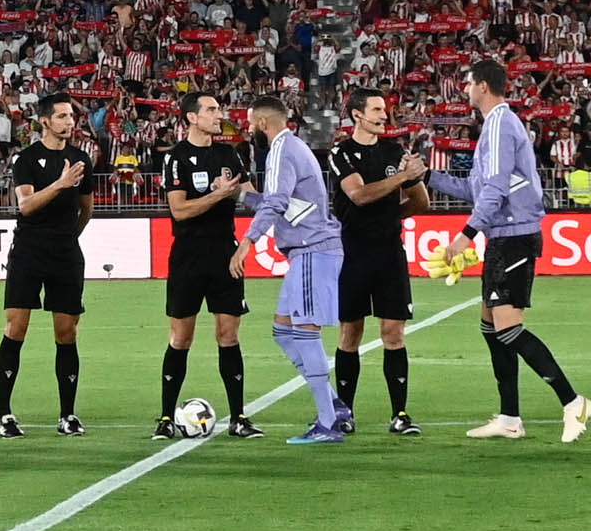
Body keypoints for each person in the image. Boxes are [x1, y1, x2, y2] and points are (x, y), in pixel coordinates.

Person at [459, 58, 587, 442]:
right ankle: (510, 418)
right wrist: (425, 176)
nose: (465, 88)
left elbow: (496, 190)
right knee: (490, 326)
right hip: (503, 235)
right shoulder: (494, 127)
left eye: (468, 82)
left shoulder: (499, 123)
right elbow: (475, 190)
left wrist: (465, 235)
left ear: (483, 86)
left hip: (514, 233)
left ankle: (573, 401)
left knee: (508, 329)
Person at [243, 91, 352, 442]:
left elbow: (275, 202)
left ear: (262, 123)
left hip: (311, 250)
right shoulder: (293, 148)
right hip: (310, 250)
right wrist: (239, 195)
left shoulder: (280, 151)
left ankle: (328, 422)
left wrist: (248, 242)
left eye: (250, 124)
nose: (249, 130)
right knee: (283, 330)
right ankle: (333, 404)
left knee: (305, 332)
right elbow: (288, 203)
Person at [154, 91, 259, 442]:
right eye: (211, 110)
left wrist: (235, 194)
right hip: (187, 257)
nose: (219, 115)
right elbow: (180, 210)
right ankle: (166, 417)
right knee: (181, 338)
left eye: (218, 109)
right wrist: (217, 194)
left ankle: (239, 417)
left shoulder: (229, 154)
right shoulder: (177, 158)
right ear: (191, 118)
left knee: (228, 335)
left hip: (226, 257)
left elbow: (254, 199)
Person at [0, 93, 96, 437]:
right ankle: (4, 414)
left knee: (67, 332)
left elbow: (87, 209)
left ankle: (67, 415)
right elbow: (25, 205)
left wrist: (68, 237)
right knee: (17, 328)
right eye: (63, 117)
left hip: (65, 253)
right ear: (45, 121)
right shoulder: (26, 159)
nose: (70, 122)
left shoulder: (82, 158)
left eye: (71, 117)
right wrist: (59, 185)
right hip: (28, 251)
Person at [326, 89, 424, 433]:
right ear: (357, 115)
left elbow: (420, 202)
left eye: (385, 109)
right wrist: (400, 177)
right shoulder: (341, 152)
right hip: (354, 254)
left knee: (393, 333)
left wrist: (415, 176)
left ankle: (400, 414)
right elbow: (358, 194)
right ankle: (344, 413)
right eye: (378, 109)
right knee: (350, 333)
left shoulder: (393, 151)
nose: (385, 115)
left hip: (389, 253)